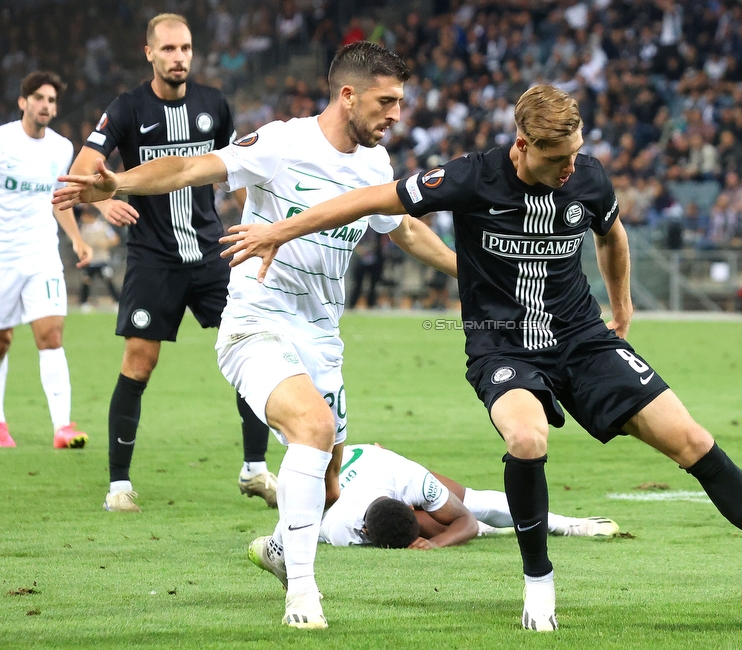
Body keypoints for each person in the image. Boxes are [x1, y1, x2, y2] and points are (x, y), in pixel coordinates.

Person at [212, 85, 742, 632]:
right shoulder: (469, 176)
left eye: (576, 155)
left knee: (690, 438)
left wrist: (622, 311)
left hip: (581, 338)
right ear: (523, 146)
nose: (571, 169)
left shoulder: (589, 178)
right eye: (558, 158)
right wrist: (277, 228)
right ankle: (538, 582)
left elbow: (613, 235)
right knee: (526, 438)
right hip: (501, 342)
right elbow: (368, 201)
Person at [55, 41, 457, 630]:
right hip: (255, 322)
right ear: (348, 96)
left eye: (400, 101)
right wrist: (118, 185)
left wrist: (466, 275)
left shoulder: (374, 165)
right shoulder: (282, 142)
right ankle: (302, 594)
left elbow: (404, 230)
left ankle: (277, 548)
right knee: (313, 428)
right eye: (387, 101)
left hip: (322, 336)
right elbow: (192, 167)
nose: (397, 114)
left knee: (329, 481)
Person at [64, 14, 275, 512]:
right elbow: (81, 169)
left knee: (254, 349)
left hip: (211, 253)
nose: (179, 57)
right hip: (152, 258)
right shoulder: (127, 108)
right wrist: (100, 200)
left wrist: (261, 222)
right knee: (140, 361)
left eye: (186, 48)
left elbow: (238, 170)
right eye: (169, 49)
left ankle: (256, 470)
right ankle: (119, 486)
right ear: (149, 53)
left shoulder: (214, 105)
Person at [248, 443, 619, 581]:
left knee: (472, 501)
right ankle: (501, 531)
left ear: (410, 502)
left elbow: (466, 519)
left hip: (377, 461)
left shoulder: (406, 477)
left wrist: (439, 544)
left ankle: (567, 525)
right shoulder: (335, 525)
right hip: (326, 483)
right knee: (434, 525)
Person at [0, 71, 93, 449]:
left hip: (41, 253)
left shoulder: (61, 148)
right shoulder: (3, 141)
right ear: (23, 102)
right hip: (3, 254)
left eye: (52, 101)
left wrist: (76, 239)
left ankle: (62, 427)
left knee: (51, 335)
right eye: (39, 98)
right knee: (2, 340)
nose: (46, 106)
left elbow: (60, 200)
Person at [77, 205, 121, 312]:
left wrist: (105, 243)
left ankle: (117, 301)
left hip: (102, 259)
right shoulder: (84, 228)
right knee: (86, 281)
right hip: (89, 260)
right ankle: (84, 303)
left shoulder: (103, 227)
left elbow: (115, 239)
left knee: (108, 280)